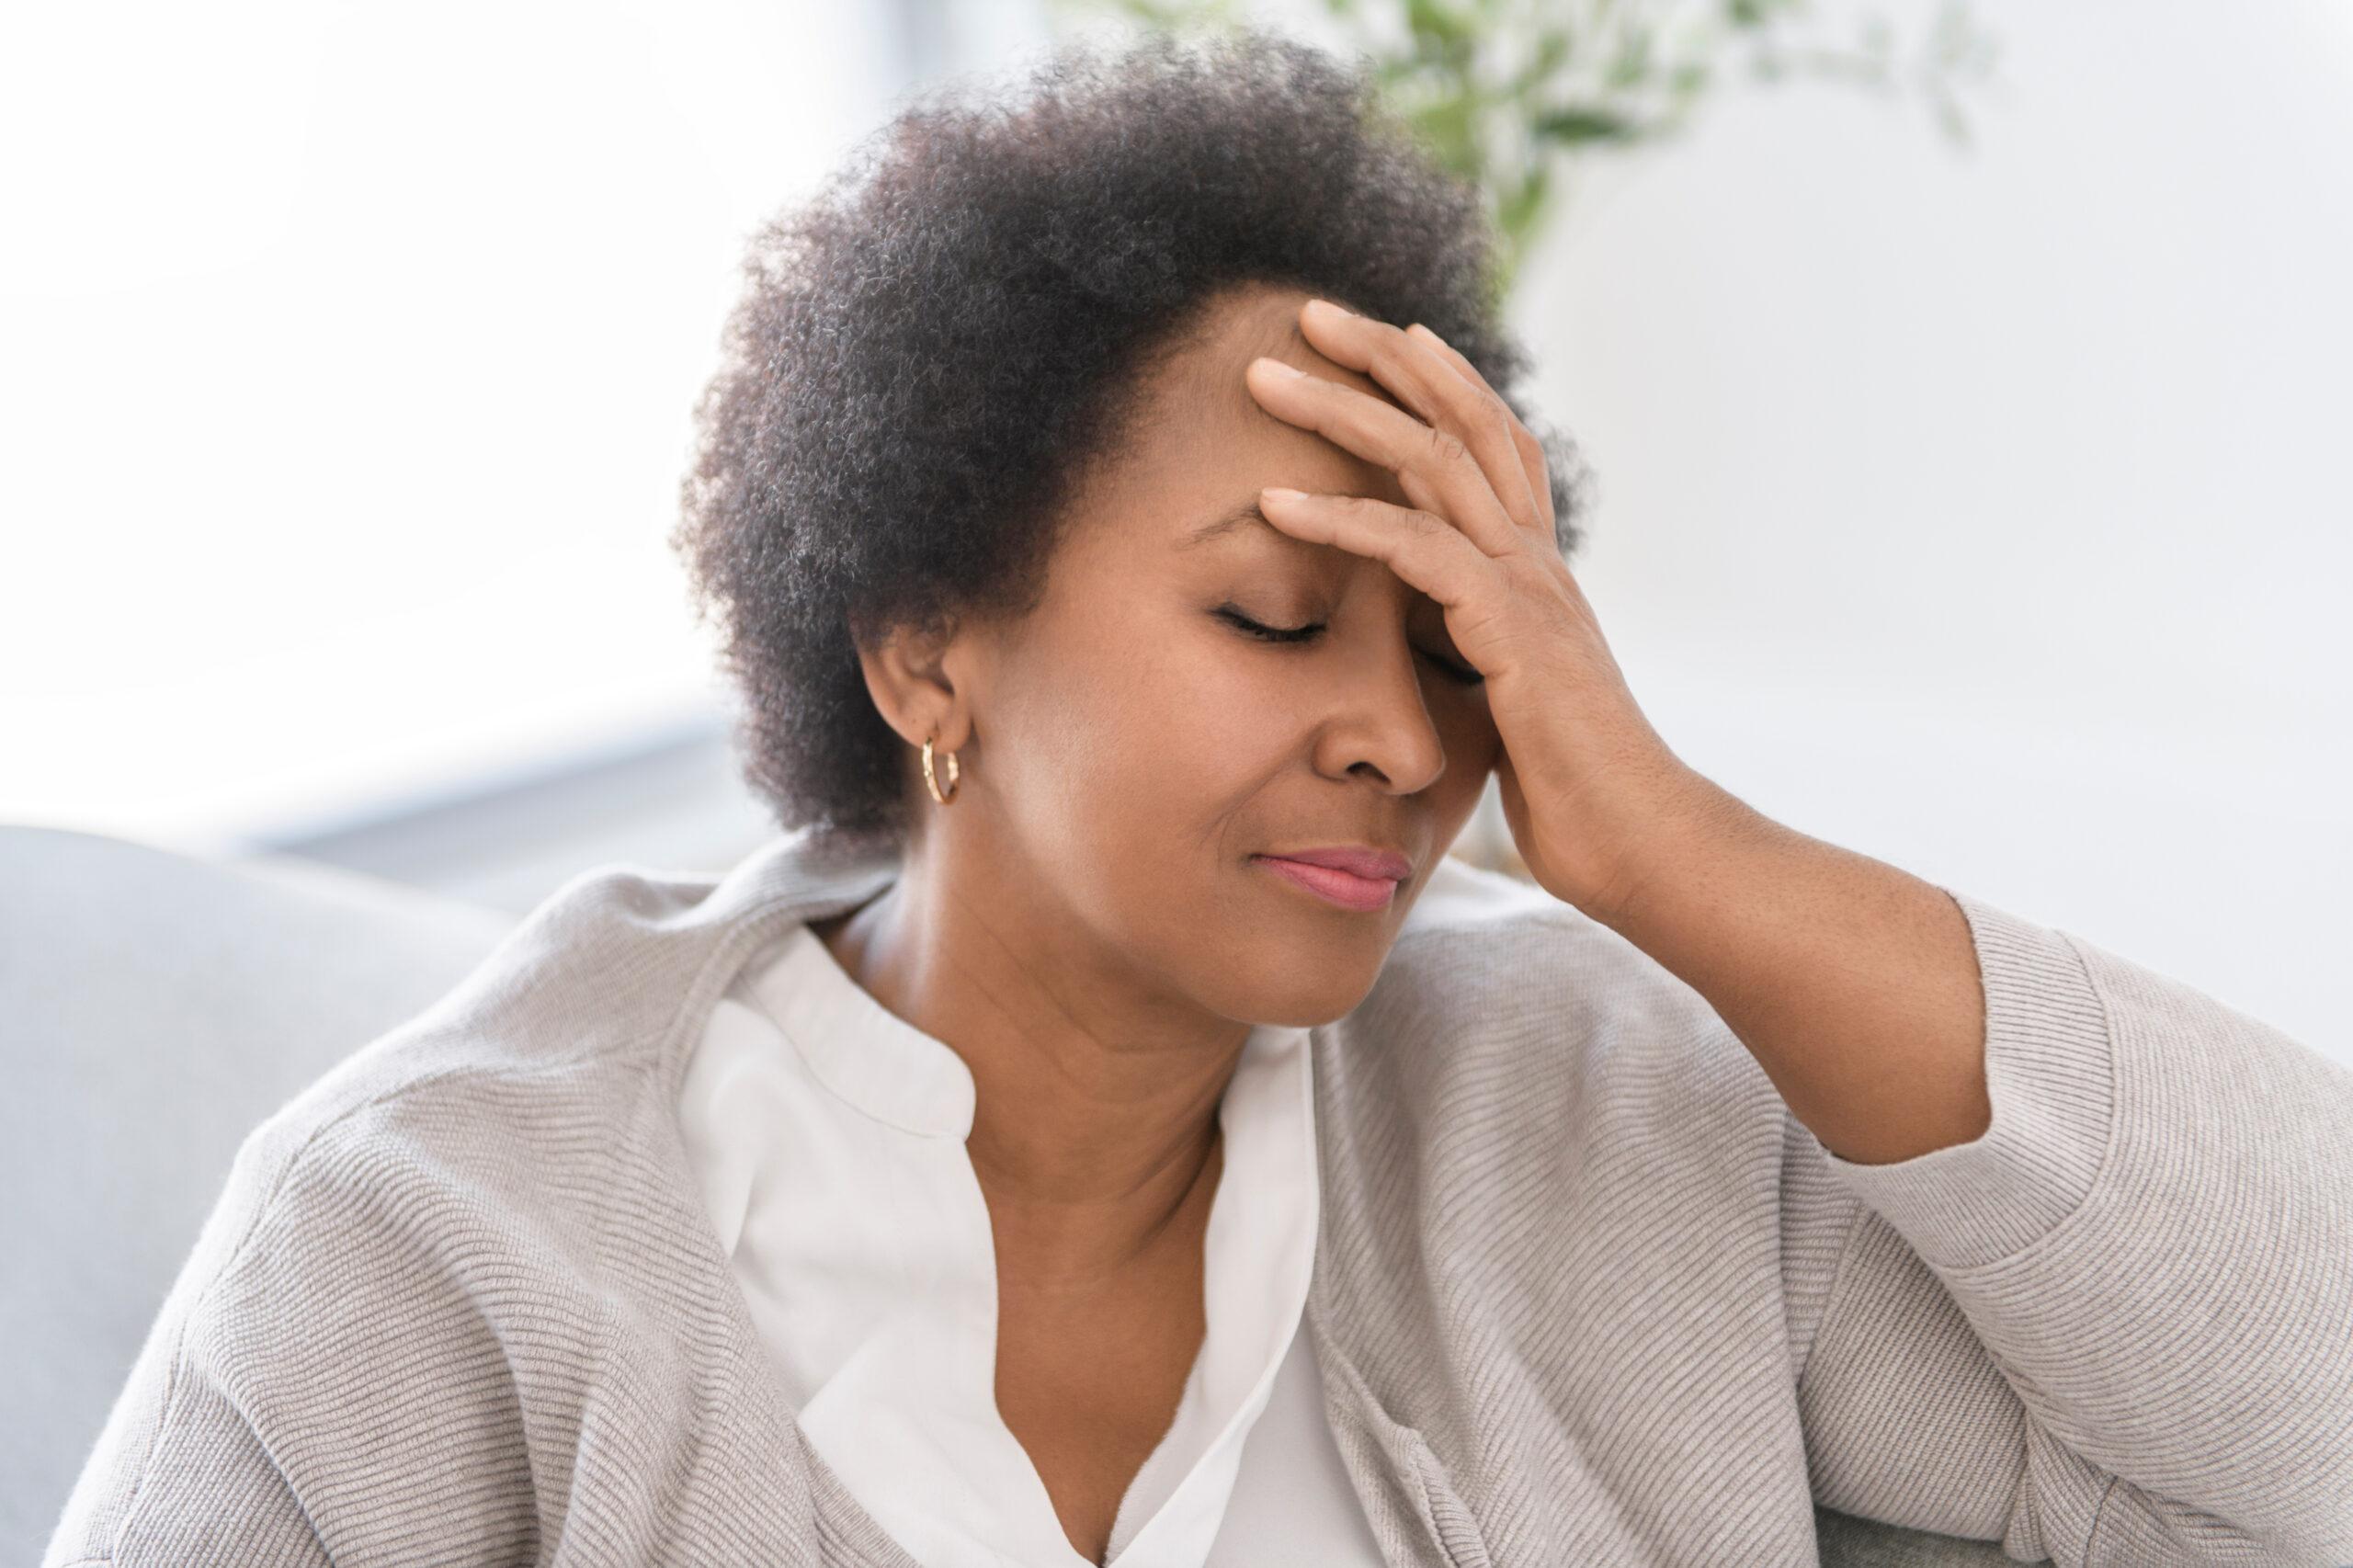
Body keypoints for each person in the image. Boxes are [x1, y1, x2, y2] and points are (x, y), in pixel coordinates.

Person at [44, 25, 2353, 1568]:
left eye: (1449, 647)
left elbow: (2305, 1427)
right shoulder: (432, 1240)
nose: (1403, 739)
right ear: (924, 644)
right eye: (1271, 615)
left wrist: (1672, 847)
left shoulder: (1593, 1121)